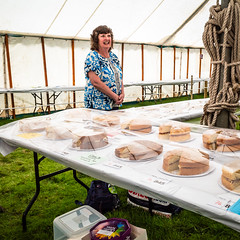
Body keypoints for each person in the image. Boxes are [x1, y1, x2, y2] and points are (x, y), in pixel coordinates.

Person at [84, 25, 124, 110]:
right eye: (103, 36)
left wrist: (122, 93)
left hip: (114, 103)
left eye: (109, 36)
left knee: (115, 123)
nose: (107, 38)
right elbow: (95, 82)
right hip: (98, 106)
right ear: (96, 40)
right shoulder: (92, 56)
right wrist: (114, 96)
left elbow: (119, 77)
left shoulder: (113, 57)